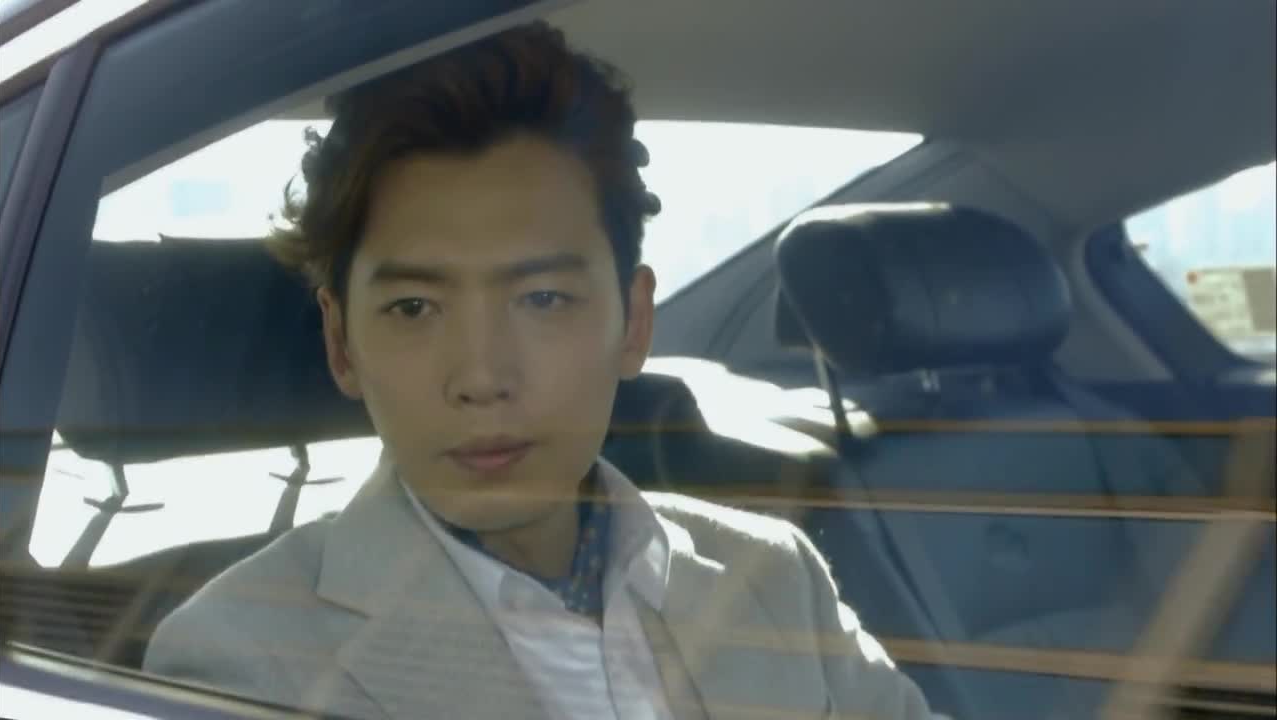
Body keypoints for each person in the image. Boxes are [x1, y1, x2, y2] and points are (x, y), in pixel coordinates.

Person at [143, 21, 934, 720]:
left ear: (634, 323)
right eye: (414, 307)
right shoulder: (239, 660)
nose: (483, 376)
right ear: (342, 344)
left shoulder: (773, 579)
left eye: (544, 298)